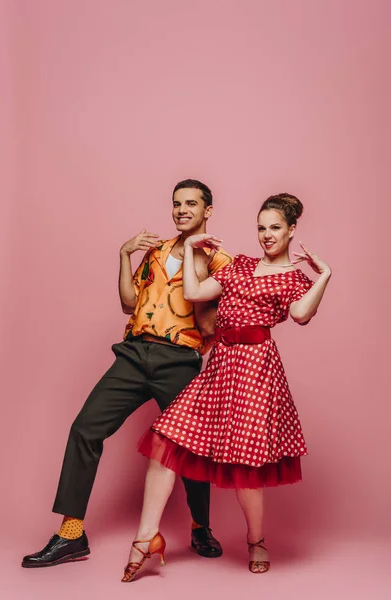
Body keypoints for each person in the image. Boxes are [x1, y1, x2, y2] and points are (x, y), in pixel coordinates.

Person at [22, 179, 232, 568]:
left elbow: (212, 325)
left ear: (208, 211)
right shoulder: (154, 251)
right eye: (176, 204)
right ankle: (71, 534)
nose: (182, 210)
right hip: (134, 354)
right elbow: (128, 303)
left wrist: (196, 264)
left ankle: (200, 526)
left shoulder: (220, 260)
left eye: (191, 203)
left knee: (190, 446)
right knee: (85, 428)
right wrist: (123, 255)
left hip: (180, 360)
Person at [121, 193, 332, 582]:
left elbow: (301, 314)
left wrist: (325, 276)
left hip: (255, 371)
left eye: (274, 228)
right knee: (166, 440)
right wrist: (189, 249)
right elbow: (194, 293)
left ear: (291, 230)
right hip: (220, 366)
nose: (266, 235)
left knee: (245, 463)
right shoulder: (240, 265)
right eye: (261, 228)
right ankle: (145, 538)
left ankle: (256, 540)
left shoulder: (292, 278)